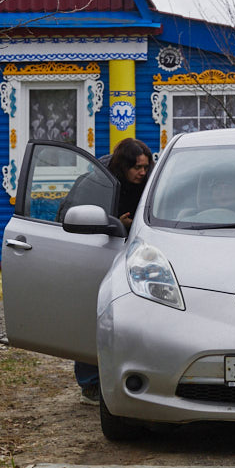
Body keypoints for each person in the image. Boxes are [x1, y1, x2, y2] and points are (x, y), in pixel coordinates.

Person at [71, 137, 153, 405]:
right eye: (137, 167)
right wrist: (117, 223)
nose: (142, 172)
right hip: (100, 255)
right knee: (94, 318)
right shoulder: (98, 183)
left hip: (140, 257)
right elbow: (83, 219)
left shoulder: (152, 181)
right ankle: (90, 384)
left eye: (145, 166)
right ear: (123, 166)